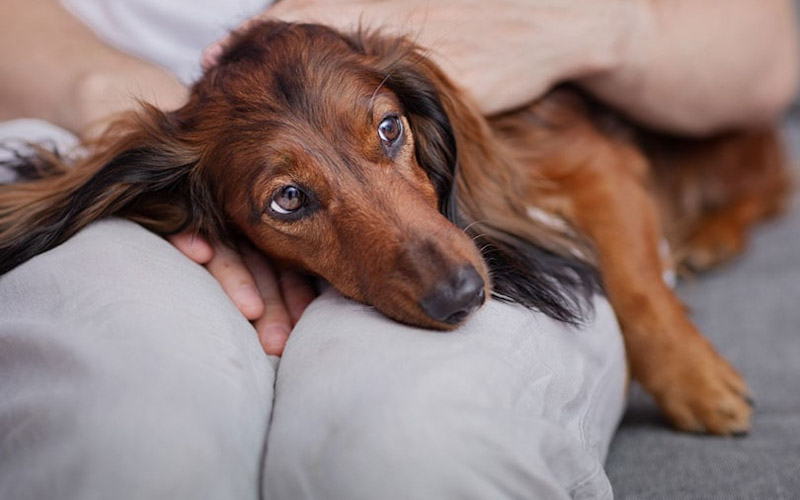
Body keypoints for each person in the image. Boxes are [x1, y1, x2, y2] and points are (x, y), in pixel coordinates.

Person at [0, 1, 796, 499]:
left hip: (488, 154)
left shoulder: (438, 114)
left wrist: (568, 22)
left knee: (412, 445)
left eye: (388, 134)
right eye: (294, 200)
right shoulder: (150, 164)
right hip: (109, 137)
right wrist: (96, 88)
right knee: (124, 434)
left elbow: (768, 54)